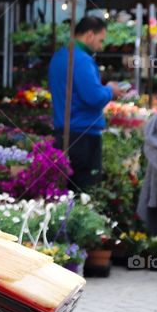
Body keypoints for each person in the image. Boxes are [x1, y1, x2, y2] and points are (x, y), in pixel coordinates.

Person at [48, 15, 124, 189]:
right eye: (100, 40)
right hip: (83, 136)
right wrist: (110, 90)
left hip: (64, 133)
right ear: (90, 35)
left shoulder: (59, 56)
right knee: (84, 191)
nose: (101, 46)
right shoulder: (81, 60)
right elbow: (93, 98)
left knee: (66, 190)